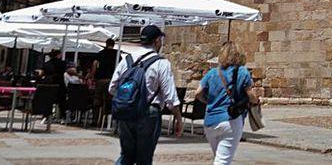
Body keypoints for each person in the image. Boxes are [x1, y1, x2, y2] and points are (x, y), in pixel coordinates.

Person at [108, 25, 182, 164]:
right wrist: (178, 118)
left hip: (126, 112)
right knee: (144, 158)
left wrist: (128, 99)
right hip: (149, 113)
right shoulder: (161, 63)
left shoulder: (127, 59)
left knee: (126, 155)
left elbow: (112, 88)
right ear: (157, 41)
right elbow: (170, 96)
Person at [195, 41, 259, 165]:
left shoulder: (212, 73)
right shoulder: (242, 72)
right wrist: (255, 101)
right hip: (231, 120)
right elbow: (251, 95)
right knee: (222, 161)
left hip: (210, 122)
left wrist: (208, 101)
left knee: (219, 158)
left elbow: (198, 93)